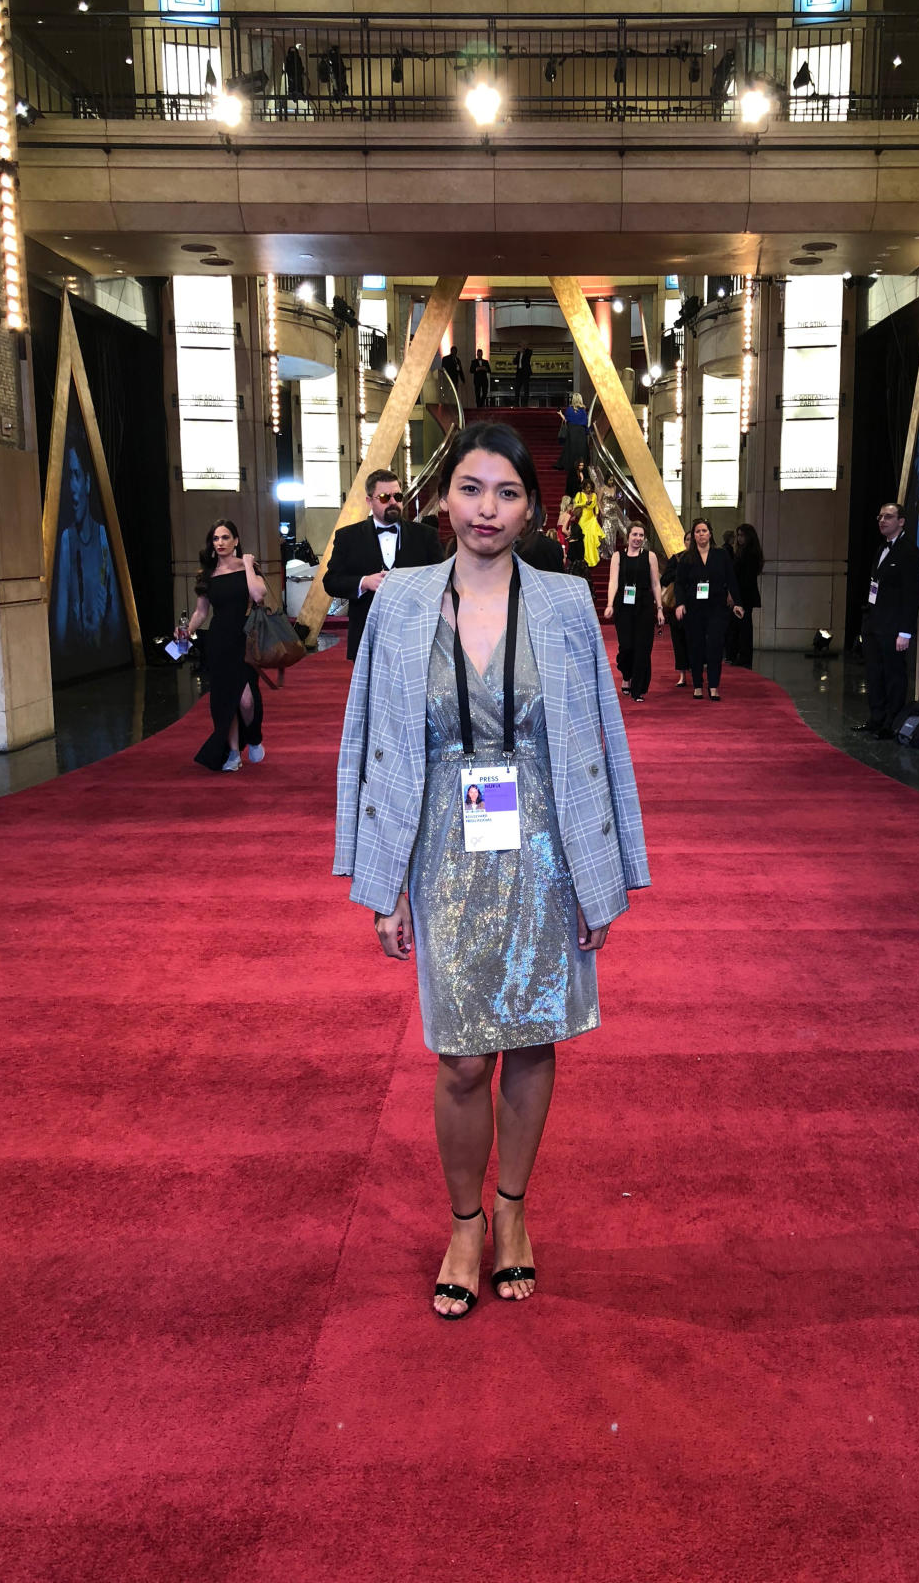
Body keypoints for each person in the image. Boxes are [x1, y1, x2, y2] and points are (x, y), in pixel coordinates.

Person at [333, 420, 649, 1319]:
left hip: (545, 849)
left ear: (530, 507)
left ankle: (513, 1214)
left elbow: (601, 741)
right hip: (442, 851)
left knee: (534, 1041)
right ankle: (464, 1220)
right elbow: (370, 742)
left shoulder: (561, 602)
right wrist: (379, 880)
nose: (488, 508)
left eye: (507, 493)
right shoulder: (396, 603)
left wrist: (604, 878)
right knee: (463, 1058)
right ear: (445, 498)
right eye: (472, 489)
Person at [322, 468, 445, 660]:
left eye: (397, 496)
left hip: (414, 634)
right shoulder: (348, 537)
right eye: (384, 497)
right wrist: (364, 582)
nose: (393, 502)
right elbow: (331, 582)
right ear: (369, 501)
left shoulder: (425, 535)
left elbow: (440, 578)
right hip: (367, 635)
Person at [178, 519, 268, 772]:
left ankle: (253, 737)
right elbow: (200, 612)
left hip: (246, 640)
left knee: (247, 700)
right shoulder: (206, 575)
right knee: (225, 700)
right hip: (219, 642)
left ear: (236, 541)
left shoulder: (248, 568)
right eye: (216, 539)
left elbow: (259, 596)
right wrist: (186, 632)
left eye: (225, 537)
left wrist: (248, 565)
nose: (220, 543)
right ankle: (232, 752)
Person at [858, 501, 919, 738]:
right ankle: (876, 718)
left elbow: (912, 594)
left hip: (894, 626)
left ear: (901, 521)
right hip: (874, 623)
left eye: (888, 517)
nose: (882, 521)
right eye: (880, 517)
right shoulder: (881, 549)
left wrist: (905, 632)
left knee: (893, 675)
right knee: (874, 673)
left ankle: (891, 723)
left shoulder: (909, 552)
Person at [54, 444, 122, 652]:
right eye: (68, 477)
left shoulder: (103, 537)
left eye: (77, 475)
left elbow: (117, 620)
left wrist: (101, 626)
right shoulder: (67, 539)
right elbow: (60, 628)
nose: (72, 488)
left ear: (88, 482)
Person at [674, 517, 744, 700]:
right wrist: (680, 604)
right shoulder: (686, 558)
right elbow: (679, 584)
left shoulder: (721, 555)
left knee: (715, 646)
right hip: (694, 608)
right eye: (697, 531)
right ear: (693, 535)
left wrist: (737, 602)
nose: (701, 534)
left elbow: (731, 579)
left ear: (710, 533)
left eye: (704, 531)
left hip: (717, 607)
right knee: (695, 646)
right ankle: (697, 685)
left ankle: (713, 686)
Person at [604, 520, 664, 700]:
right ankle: (626, 675)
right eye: (634, 535)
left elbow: (655, 583)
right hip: (623, 605)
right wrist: (609, 604)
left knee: (642, 647)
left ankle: (638, 689)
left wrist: (659, 608)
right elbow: (613, 581)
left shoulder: (650, 556)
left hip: (644, 605)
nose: (638, 538)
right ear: (627, 536)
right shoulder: (617, 556)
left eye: (641, 535)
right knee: (627, 646)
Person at [726, 522, 764, 668]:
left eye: (742, 535)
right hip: (743, 594)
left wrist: (735, 597)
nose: (739, 539)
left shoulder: (749, 554)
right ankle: (741, 656)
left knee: (744, 628)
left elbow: (745, 578)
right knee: (741, 627)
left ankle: (744, 657)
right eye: (738, 536)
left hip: (744, 595)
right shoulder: (745, 552)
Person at [660, 524, 693, 687]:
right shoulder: (677, 558)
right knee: (678, 641)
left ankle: (696, 672)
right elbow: (664, 579)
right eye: (687, 539)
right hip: (676, 604)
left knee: (695, 640)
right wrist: (680, 571)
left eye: (691, 539)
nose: (689, 542)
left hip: (696, 605)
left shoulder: (703, 558)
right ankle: (682, 675)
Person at [571, 475, 604, 569]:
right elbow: (575, 505)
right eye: (587, 487)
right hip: (583, 518)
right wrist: (584, 503)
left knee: (593, 538)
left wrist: (597, 514)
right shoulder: (579, 494)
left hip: (592, 518)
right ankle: (585, 558)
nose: (589, 489)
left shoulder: (594, 495)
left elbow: (596, 505)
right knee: (585, 539)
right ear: (584, 487)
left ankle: (593, 558)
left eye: (590, 487)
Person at [555, 393, 589, 474]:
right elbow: (585, 423)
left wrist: (561, 415)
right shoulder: (583, 411)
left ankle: (570, 465)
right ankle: (581, 466)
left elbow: (567, 421)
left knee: (571, 449)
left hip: (572, 432)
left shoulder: (569, 410)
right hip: (581, 433)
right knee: (581, 450)